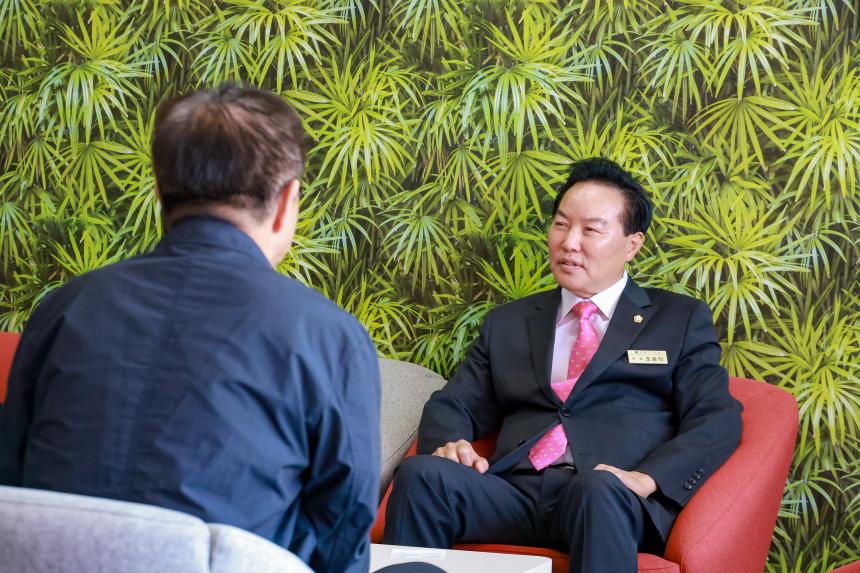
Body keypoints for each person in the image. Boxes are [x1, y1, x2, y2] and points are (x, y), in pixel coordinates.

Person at [0, 85, 381, 573]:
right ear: (288, 201)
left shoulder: (61, 309)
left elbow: (14, 480)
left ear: (159, 193)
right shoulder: (330, 336)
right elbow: (342, 530)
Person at [382, 158, 744, 573]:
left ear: (632, 244)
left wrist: (647, 479)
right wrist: (450, 442)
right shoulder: (510, 322)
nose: (569, 242)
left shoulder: (678, 319)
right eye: (561, 224)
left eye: (591, 230)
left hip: (606, 495)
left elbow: (717, 417)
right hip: (513, 491)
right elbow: (453, 404)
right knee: (422, 475)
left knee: (597, 489)